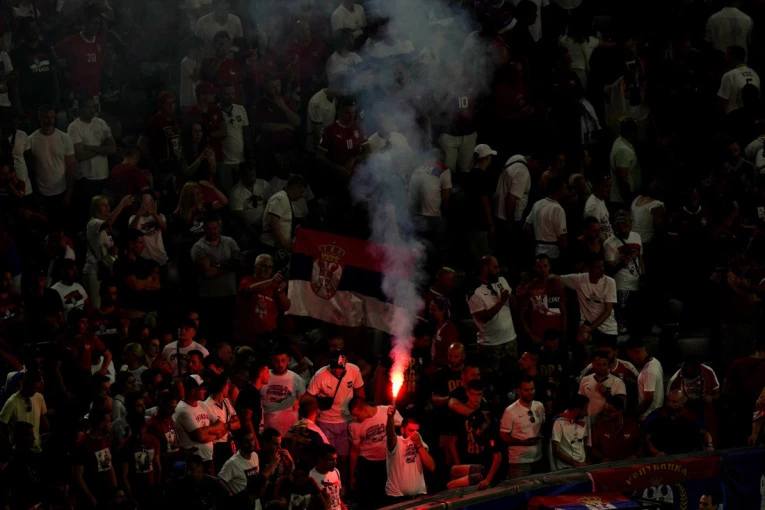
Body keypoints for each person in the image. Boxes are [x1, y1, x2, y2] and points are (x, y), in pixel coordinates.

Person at [307, 351, 364, 477]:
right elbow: (309, 397)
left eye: (339, 368)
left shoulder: (354, 371)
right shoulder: (320, 375)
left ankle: (342, 482)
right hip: (325, 421)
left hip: (346, 420)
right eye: (333, 367)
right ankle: (327, 481)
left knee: (344, 458)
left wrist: (360, 416)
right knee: (327, 458)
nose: (336, 370)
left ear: (346, 364)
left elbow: (360, 394)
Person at [191, 214, 241, 341]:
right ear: (204, 228)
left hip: (229, 294)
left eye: (215, 228)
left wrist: (217, 264)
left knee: (229, 332)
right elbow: (207, 272)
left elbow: (239, 263)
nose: (213, 231)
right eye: (209, 228)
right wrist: (229, 266)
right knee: (212, 333)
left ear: (219, 227)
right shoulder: (198, 247)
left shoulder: (229, 242)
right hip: (210, 298)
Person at [468, 255, 518, 372]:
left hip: (510, 340)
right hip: (491, 345)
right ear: (485, 269)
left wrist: (513, 297)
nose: (498, 270)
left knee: (512, 374)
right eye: (495, 268)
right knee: (492, 378)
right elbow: (484, 318)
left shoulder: (502, 280)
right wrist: (501, 302)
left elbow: (514, 304)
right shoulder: (475, 291)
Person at [83, 194, 134, 307]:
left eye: (108, 205)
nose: (107, 208)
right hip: (94, 272)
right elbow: (109, 221)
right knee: (97, 306)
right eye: (103, 205)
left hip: (105, 272)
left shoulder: (108, 229)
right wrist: (122, 204)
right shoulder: (93, 223)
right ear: (96, 208)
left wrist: (111, 253)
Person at [348, 397, 402, 497]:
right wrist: (351, 476)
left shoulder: (386, 411)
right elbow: (354, 451)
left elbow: (403, 428)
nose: (355, 418)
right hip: (368, 464)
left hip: (387, 462)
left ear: (364, 409)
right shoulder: (354, 425)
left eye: (356, 415)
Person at [28, 105, 76, 217]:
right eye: (46, 117)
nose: (50, 121)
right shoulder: (31, 140)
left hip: (62, 190)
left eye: (52, 117)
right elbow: (31, 169)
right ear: (40, 118)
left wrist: (69, 193)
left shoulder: (64, 138)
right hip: (42, 193)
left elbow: (71, 167)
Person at [173, 374, 228, 470]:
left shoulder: (202, 405)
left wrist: (205, 430)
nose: (205, 391)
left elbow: (221, 425)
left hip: (208, 458)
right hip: (194, 463)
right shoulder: (183, 410)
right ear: (193, 391)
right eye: (202, 389)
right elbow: (200, 436)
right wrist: (216, 435)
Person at [68, 96, 116, 202]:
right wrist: (102, 148)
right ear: (80, 108)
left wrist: (88, 147)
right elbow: (80, 155)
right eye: (88, 107)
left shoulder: (101, 123)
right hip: (85, 178)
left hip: (103, 176)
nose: (92, 110)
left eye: (94, 107)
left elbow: (112, 149)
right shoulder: (74, 127)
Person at [234, 254, 290, 344]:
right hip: (247, 335)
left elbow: (286, 307)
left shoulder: (274, 285)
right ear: (255, 266)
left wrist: (280, 291)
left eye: (270, 267)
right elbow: (250, 289)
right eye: (264, 266)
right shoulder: (246, 280)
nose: (267, 270)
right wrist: (271, 281)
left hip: (269, 335)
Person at [604, 211, 644, 334]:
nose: (623, 230)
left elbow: (641, 259)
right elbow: (610, 269)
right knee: (623, 316)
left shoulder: (636, 236)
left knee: (636, 316)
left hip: (636, 282)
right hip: (621, 285)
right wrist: (625, 259)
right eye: (620, 227)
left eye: (626, 226)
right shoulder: (609, 243)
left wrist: (643, 276)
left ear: (630, 223)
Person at [385, 406, 435, 502]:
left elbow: (431, 467)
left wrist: (419, 445)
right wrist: (390, 417)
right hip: (397, 498)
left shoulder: (419, 441)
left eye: (417, 431)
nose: (415, 434)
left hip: (419, 496)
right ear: (402, 430)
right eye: (411, 430)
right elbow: (390, 434)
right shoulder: (397, 441)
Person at [70, 408, 117, 508]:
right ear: (101, 424)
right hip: (91, 498)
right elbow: (78, 476)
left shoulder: (104, 439)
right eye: (108, 421)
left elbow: (108, 465)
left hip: (105, 495)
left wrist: (115, 488)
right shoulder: (82, 444)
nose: (110, 424)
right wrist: (91, 499)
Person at [500, 376, 545, 478]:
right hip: (519, 463)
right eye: (526, 390)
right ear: (519, 391)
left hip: (538, 459)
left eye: (532, 389)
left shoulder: (539, 406)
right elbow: (503, 436)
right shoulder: (510, 411)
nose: (530, 393)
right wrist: (523, 442)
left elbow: (542, 426)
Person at [645, 390, 714, 455]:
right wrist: (656, 452)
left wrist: (709, 445)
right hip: (664, 455)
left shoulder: (688, 415)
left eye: (674, 402)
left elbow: (705, 432)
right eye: (668, 400)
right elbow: (647, 438)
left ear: (682, 403)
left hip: (687, 454)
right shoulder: (657, 415)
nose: (670, 404)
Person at [517, 255, 567, 345]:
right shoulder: (529, 287)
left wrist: (563, 334)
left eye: (545, 266)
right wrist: (532, 335)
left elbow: (563, 311)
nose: (543, 269)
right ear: (535, 268)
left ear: (549, 266)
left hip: (556, 336)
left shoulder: (555, 284)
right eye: (539, 266)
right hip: (538, 337)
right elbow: (521, 314)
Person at [447, 410, 503, 490]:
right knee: (454, 470)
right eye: (475, 427)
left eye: (479, 427)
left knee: (450, 485)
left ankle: (459, 493)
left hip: (492, 473)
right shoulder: (476, 431)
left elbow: (498, 457)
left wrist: (487, 480)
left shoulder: (491, 433)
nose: (477, 431)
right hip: (485, 467)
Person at [112, 229, 161, 318]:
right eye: (140, 243)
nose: (143, 246)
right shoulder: (121, 263)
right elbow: (136, 285)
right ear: (131, 244)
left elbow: (157, 285)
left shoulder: (144, 262)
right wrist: (149, 280)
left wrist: (142, 284)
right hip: (132, 310)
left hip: (149, 309)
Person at [261, 346, 306, 435]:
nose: (280, 364)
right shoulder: (264, 376)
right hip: (268, 427)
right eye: (276, 361)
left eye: (283, 360)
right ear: (272, 360)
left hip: (290, 427)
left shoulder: (296, 379)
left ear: (288, 360)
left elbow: (303, 401)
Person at [0, 370, 48, 451]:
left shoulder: (39, 397)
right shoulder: (12, 402)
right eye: (32, 388)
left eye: (36, 388)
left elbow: (43, 421)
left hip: (37, 448)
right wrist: (10, 447)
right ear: (24, 384)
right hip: (20, 451)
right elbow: (1, 427)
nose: (34, 391)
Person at [261, 175, 307, 259]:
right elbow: (273, 223)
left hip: (278, 246)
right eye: (301, 192)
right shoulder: (281, 198)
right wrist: (286, 245)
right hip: (272, 246)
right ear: (295, 188)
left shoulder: (285, 198)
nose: (302, 195)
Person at [524, 176, 568, 262]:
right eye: (564, 189)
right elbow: (562, 238)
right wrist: (566, 254)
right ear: (558, 191)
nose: (566, 192)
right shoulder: (558, 209)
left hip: (537, 252)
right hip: (552, 255)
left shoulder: (537, 204)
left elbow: (526, 227)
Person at [202, 374, 240, 473]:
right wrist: (229, 425)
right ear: (223, 387)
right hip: (217, 447)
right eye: (227, 386)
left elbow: (238, 423)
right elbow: (218, 431)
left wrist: (226, 426)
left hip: (229, 444)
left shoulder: (226, 402)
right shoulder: (207, 406)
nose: (229, 388)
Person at [590, 396, 642, 462]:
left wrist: (635, 456)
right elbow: (594, 448)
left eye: (610, 411)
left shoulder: (632, 425)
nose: (605, 413)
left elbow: (641, 446)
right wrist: (602, 458)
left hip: (628, 464)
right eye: (605, 410)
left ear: (620, 411)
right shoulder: (598, 425)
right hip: (607, 465)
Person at [624, 337, 665, 421]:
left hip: (648, 416)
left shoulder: (649, 371)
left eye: (630, 355)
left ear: (635, 352)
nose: (631, 359)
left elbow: (648, 399)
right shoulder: (655, 361)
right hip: (654, 413)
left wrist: (635, 414)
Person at [579, 350, 627, 418]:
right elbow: (580, 403)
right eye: (598, 365)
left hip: (607, 420)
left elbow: (622, 406)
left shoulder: (617, 382)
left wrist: (605, 393)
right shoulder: (585, 380)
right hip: (587, 420)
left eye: (604, 364)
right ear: (593, 364)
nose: (602, 368)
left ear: (608, 364)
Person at [550, 394, 589, 470]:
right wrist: (575, 463)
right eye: (585, 409)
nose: (587, 412)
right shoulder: (559, 423)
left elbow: (583, 444)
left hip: (582, 465)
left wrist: (586, 461)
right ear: (577, 410)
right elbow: (556, 451)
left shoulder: (583, 420)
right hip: (566, 467)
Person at [718, 46, 760, 115]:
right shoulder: (755, 74)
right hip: (752, 115)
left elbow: (723, 103)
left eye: (727, 56)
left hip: (734, 117)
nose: (725, 59)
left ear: (733, 57)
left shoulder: (729, 75)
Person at [609, 118, 641, 207]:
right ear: (632, 133)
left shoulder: (619, 141)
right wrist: (629, 200)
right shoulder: (624, 150)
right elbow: (622, 179)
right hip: (622, 200)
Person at [235, 359, 270, 440]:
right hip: (248, 438)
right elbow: (246, 418)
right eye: (267, 372)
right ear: (260, 374)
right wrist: (254, 440)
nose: (269, 375)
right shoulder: (251, 392)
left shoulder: (251, 390)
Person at [218, 429, 259, 495]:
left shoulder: (255, 455)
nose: (251, 444)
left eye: (252, 440)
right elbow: (219, 481)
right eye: (246, 442)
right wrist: (230, 495)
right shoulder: (232, 463)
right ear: (239, 443)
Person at [309, 443, 346, 510]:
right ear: (320, 459)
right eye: (330, 460)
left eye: (335, 459)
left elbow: (337, 497)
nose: (335, 463)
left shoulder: (336, 471)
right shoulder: (311, 476)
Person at [583, 175, 614, 242]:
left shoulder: (601, 199)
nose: (609, 189)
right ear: (597, 186)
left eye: (610, 186)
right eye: (606, 186)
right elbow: (594, 234)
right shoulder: (594, 207)